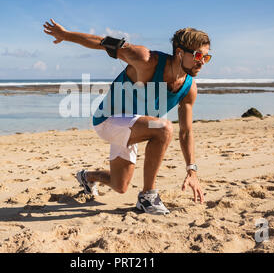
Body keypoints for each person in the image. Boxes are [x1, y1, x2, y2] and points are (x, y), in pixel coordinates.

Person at [43, 18, 211, 215]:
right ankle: (148, 197)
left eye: (206, 58)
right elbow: (102, 41)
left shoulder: (189, 87)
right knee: (164, 129)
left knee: (120, 185)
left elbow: (187, 132)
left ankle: (87, 177)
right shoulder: (146, 59)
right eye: (198, 55)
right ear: (180, 52)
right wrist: (66, 35)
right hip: (108, 121)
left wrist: (192, 170)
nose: (202, 62)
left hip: (134, 126)